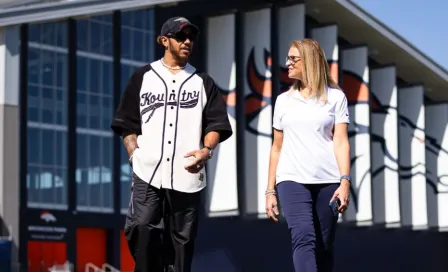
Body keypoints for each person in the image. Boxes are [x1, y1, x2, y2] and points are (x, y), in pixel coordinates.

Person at [111, 16, 233, 272]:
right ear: (164, 41)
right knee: (141, 228)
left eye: (191, 37)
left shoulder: (202, 81)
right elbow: (127, 124)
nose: (188, 41)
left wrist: (206, 150)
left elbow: (216, 124)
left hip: (187, 173)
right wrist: (134, 154)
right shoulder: (143, 77)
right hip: (148, 170)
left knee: (182, 243)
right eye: (181, 36)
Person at [265, 38, 351, 272]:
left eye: (293, 59)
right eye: (288, 58)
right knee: (303, 237)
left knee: (324, 244)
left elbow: (341, 141)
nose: (287, 63)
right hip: (291, 179)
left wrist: (345, 181)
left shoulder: (336, 98)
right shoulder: (283, 101)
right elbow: (276, 147)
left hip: (328, 180)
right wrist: (270, 190)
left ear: (310, 61)